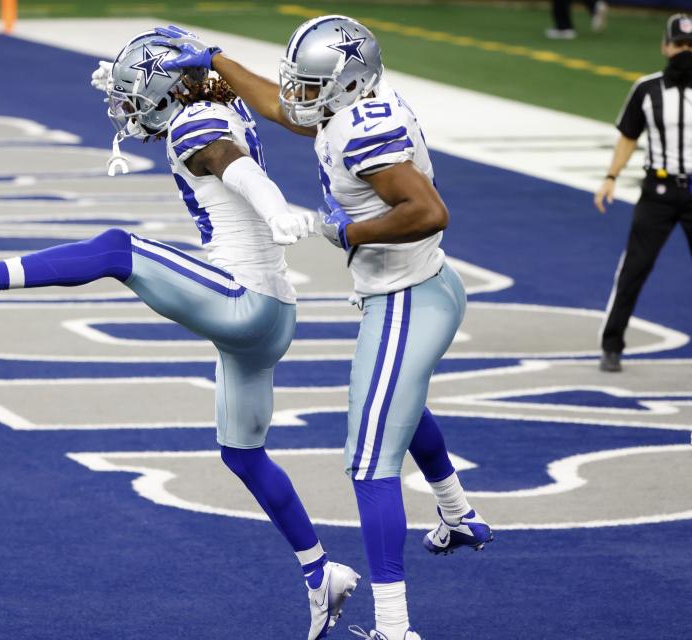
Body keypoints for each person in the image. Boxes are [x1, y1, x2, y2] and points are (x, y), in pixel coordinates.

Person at [0, 34, 362, 640]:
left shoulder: (195, 126)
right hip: (274, 317)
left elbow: (231, 165)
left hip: (243, 302)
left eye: (134, 93)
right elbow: (224, 115)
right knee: (242, 455)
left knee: (118, 249)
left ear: (166, 89)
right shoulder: (220, 100)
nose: (127, 107)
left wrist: (275, 207)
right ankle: (320, 575)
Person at [158, 15, 493, 640]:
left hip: (406, 298)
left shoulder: (361, 132)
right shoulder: (358, 104)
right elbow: (283, 108)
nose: (298, 94)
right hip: (417, 289)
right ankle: (459, 513)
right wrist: (216, 58)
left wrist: (350, 231)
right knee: (396, 405)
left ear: (347, 83)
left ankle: (394, 629)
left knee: (368, 463)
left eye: (312, 85)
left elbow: (428, 210)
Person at [594, 13, 692, 373]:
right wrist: (610, 176)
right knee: (634, 268)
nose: (685, 51)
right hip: (659, 191)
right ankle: (612, 344)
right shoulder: (647, 89)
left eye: (691, 45)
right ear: (666, 46)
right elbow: (629, 135)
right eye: (680, 44)